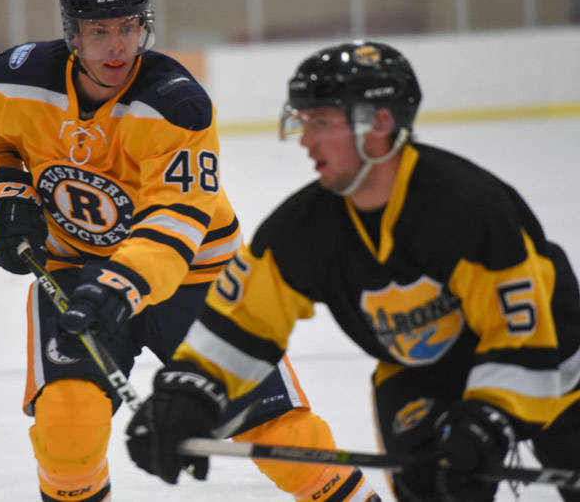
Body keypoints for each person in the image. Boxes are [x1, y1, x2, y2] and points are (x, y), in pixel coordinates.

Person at [0, 0, 379, 502]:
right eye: (100, 31)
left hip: (200, 275)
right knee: (67, 424)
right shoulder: (15, 80)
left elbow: (176, 219)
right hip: (73, 267)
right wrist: (4, 189)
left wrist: (118, 286)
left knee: (273, 428)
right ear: (73, 35)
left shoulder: (175, 103)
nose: (117, 47)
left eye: (128, 29)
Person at [126, 40, 580, 502]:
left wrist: (487, 425)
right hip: (420, 371)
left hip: (554, 362)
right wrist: (185, 394)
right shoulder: (302, 229)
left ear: (380, 123)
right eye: (303, 122)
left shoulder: (469, 210)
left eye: (321, 122)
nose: (304, 140)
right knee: (433, 490)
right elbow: (241, 323)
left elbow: (523, 341)